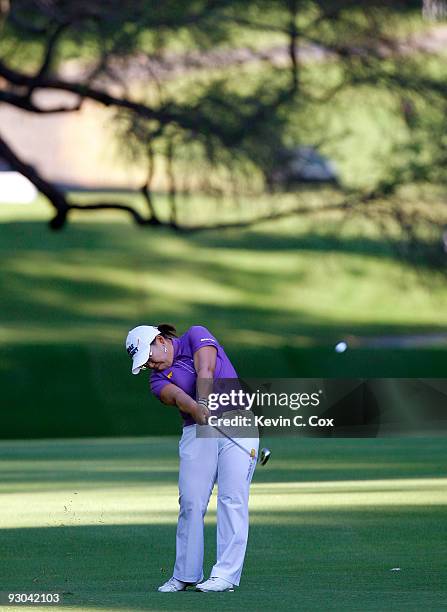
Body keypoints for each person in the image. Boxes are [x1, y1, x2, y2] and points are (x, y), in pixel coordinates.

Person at [125, 323, 259, 593]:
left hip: (237, 421)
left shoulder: (196, 335)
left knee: (232, 498)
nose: (150, 365)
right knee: (190, 501)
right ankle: (185, 575)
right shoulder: (156, 380)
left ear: (161, 340)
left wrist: (206, 403)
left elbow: (206, 369)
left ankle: (225, 576)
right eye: (144, 363)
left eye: (149, 357)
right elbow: (176, 396)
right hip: (196, 430)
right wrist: (195, 409)